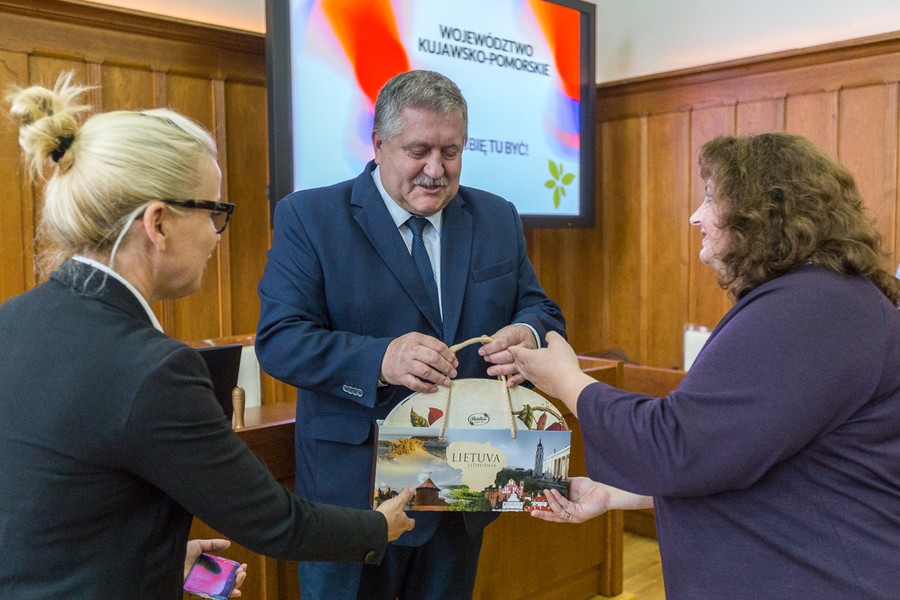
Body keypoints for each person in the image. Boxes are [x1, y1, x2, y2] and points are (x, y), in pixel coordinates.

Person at [0, 72, 415, 599]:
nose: (218, 235)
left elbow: (50, 510)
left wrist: (153, 558)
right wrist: (379, 527)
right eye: (215, 211)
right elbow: (275, 522)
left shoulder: (11, 320)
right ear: (158, 224)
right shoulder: (155, 369)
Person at [512, 133, 900, 598]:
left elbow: (676, 443)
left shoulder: (812, 308)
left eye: (712, 198)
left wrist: (568, 380)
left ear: (762, 212)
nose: (695, 216)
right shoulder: (827, 298)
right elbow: (744, 455)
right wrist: (616, 494)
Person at [256, 69, 566, 600]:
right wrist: (380, 359)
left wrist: (529, 334)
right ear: (378, 145)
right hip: (353, 498)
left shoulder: (496, 216)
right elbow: (280, 340)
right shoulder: (309, 217)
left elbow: (541, 309)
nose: (436, 170)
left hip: (464, 487)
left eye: (451, 152)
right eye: (418, 151)